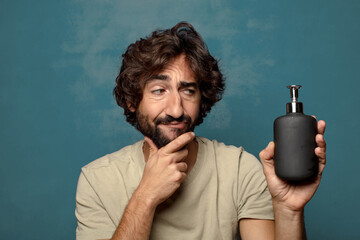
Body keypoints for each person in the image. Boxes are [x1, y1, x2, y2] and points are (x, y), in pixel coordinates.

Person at [75, 22, 327, 240]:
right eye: (159, 90)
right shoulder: (97, 180)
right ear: (132, 101)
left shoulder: (239, 169)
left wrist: (288, 210)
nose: (175, 109)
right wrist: (145, 196)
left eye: (188, 90)